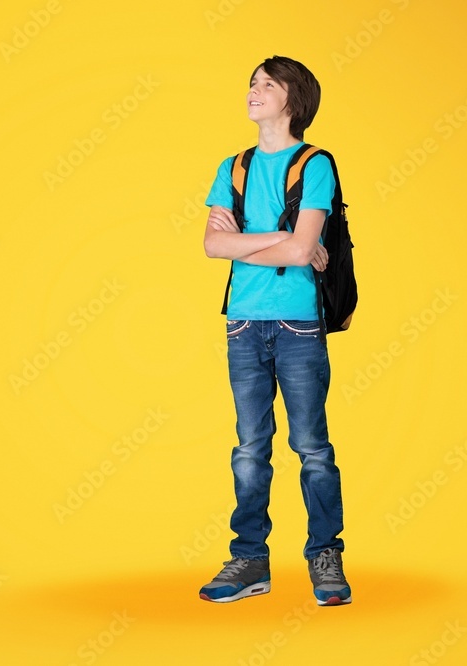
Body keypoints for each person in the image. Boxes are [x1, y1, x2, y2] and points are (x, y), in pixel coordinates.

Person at [199, 55, 351, 606]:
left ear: (294, 98)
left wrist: (252, 243)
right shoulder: (232, 167)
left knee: (312, 447)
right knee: (249, 448)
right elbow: (212, 245)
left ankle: (325, 556)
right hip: (243, 322)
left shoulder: (316, 164)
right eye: (252, 83)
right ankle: (249, 560)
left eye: (267, 83)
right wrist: (283, 241)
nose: (253, 90)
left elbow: (302, 249)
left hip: (297, 323)